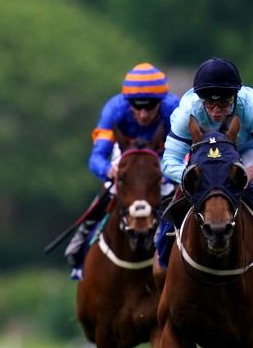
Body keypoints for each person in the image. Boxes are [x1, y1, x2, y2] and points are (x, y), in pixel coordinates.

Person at [160, 57, 253, 258]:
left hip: (243, 155)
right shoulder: (187, 112)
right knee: (181, 191)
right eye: (210, 104)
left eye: (223, 103)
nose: (216, 111)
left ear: (234, 97)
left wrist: (252, 173)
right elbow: (169, 160)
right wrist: (189, 175)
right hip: (202, 159)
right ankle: (165, 239)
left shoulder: (252, 107)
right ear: (201, 100)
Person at [64, 62, 180, 279]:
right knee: (108, 195)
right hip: (124, 157)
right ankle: (79, 250)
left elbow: (184, 151)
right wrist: (109, 172)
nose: (143, 114)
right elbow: (97, 157)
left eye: (150, 106)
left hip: (165, 159)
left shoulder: (173, 109)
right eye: (137, 106)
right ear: (128, 103)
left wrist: (162, 176)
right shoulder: (114, 110)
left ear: (161, 102)